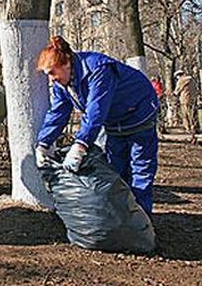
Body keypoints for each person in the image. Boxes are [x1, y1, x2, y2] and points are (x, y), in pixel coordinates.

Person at [34, 36, 159, 215]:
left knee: (141, 170)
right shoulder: (63, 84)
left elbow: (96, 111)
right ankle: (123, 220)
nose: (51, 79)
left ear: (67, 62)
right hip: (115, 123)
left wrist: (80, 145)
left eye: (53, 72)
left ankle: (142, 223)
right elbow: (58, 113)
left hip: (139, 114)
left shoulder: (98, 70)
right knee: (117, 169)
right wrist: (43, 144)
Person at [174, 70, 199, 136]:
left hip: (184, 99)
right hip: (193, 99)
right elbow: (196, 89)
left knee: (186, 115)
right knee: (193, 113)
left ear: (179, 75)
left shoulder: (181, 81)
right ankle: (195, 127)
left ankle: (189, 129)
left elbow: (176, 91)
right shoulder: (192, 80)